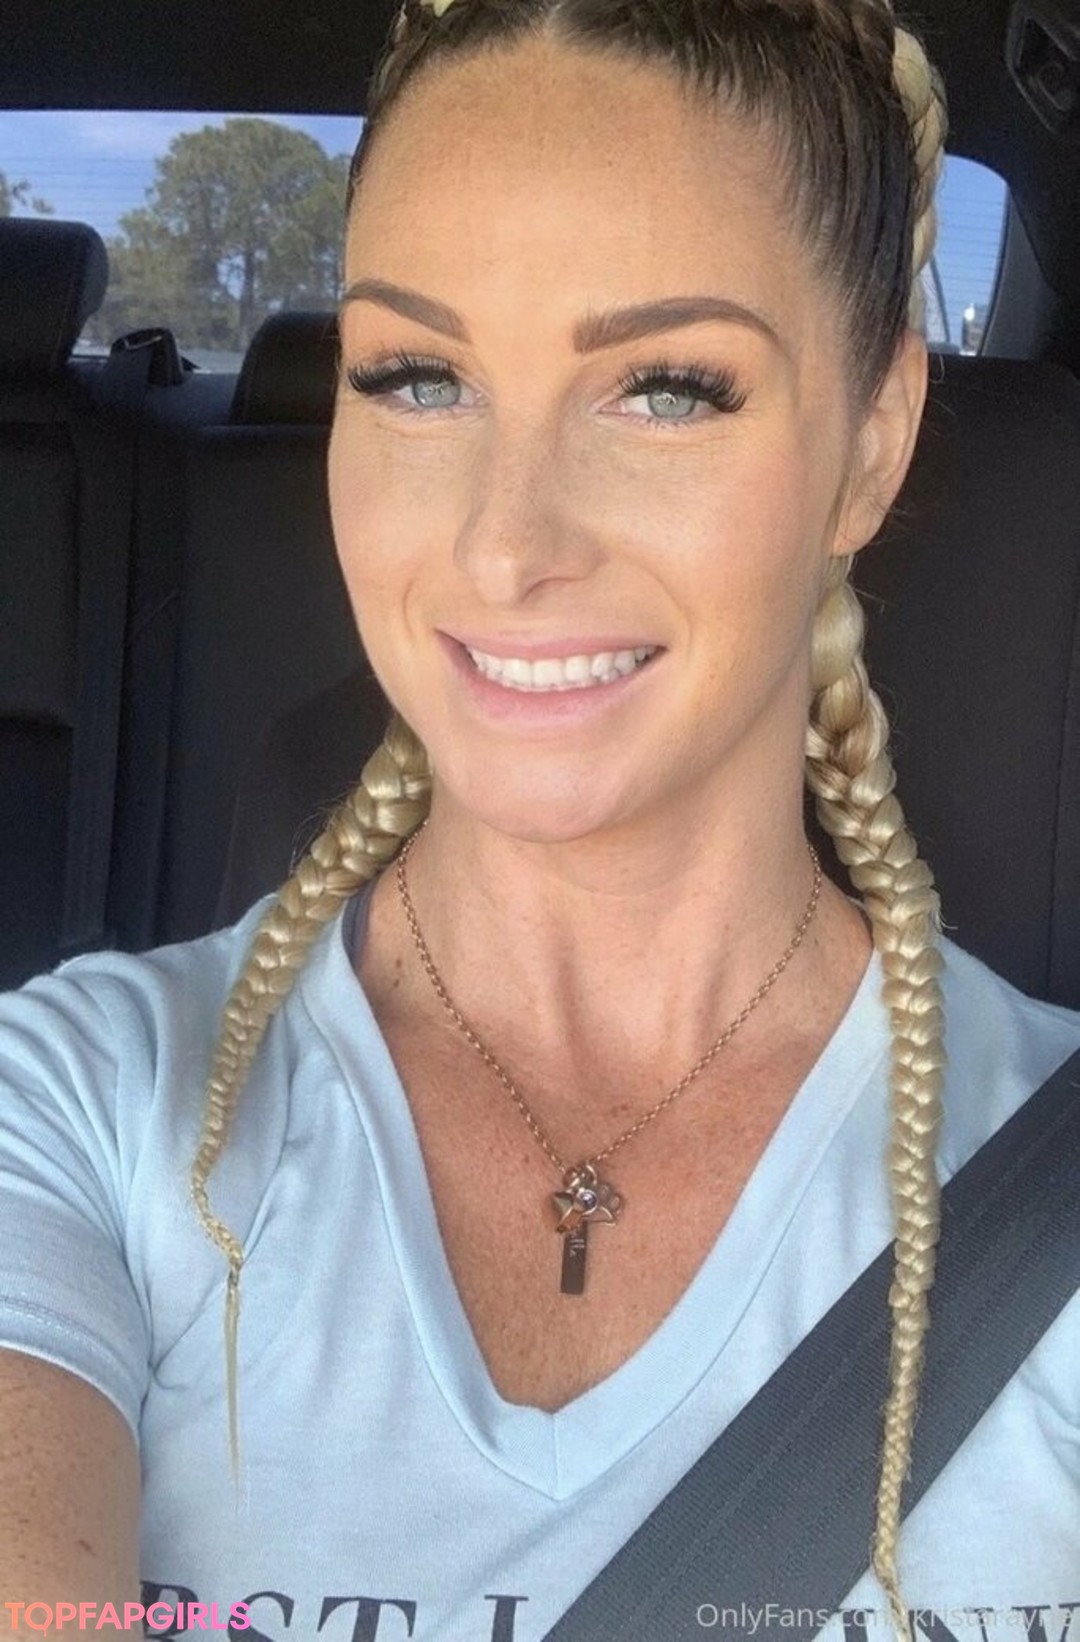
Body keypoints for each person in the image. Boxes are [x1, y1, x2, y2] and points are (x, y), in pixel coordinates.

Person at [0, 0, 1078, 1638]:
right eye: (418, 376)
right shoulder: (75, 1112)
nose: (506, 545)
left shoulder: (1044, 1187)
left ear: (873, 440)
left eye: (666, 389)